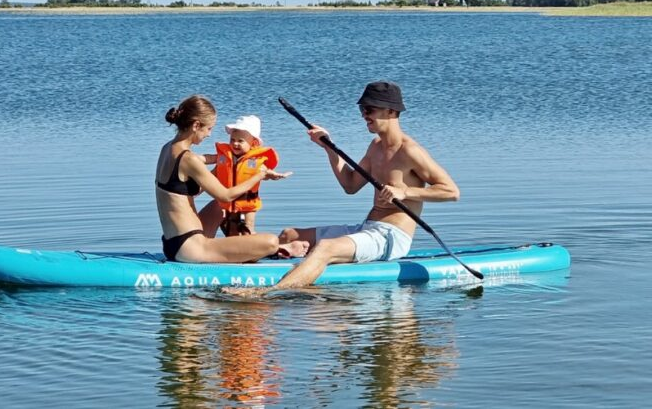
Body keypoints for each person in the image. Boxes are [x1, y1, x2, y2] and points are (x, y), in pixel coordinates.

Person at [230, 81, 460, 292]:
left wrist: (405, 191)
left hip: (392, 237)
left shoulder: (410, 151)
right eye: (362, 110)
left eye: (369, 109)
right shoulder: (376, 146)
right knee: (289, 234)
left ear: (391, 111)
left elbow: (451, 191)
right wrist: (329, 148)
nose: (364, 115)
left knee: (326, 248)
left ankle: (267, 293)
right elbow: (350, 185)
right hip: (367, 228)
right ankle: (239, 269)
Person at [155, 95, 308, 263]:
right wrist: (260, 175)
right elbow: (226, 195)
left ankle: (240, 242)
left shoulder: (167, 148)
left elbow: (183, 190)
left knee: (218, 207)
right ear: (196, 125)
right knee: (271, 241)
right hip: (190, 248)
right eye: (208, 129)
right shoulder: (189, 159)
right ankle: (278, 249)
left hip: (172, 243)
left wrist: (223, 166)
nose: (209, 134)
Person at [209, 115, 290, 237]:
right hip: (229, 205)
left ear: (254, 142)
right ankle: (234, 250)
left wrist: (276, 175)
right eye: (232, 140)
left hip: (247, 205)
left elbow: (266, 172)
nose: (235, 143)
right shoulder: (224, 158)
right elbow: (211, 175)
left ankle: (254, 245)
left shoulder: (256, 161)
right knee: (231, 231)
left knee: (247, 229)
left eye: (240, 141)